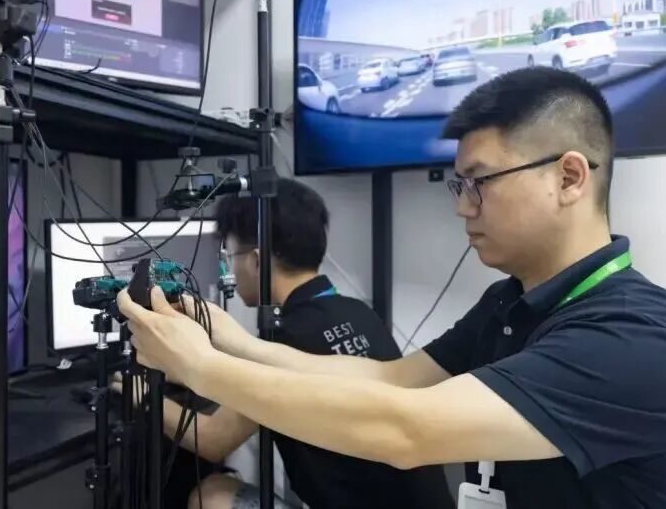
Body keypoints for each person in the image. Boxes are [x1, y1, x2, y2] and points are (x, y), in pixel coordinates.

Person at [119, 67, 666, 509]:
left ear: (570, 178)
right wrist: (232, 342)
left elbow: (405, 430)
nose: (463, 207)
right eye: (458, 186)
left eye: (480, 183)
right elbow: (393, 379)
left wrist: (198, 367)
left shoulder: (636, 338)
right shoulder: (511, 302)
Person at [116, 178, 452, 509]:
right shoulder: (359, 312)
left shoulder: (286, 337)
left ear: (256, 260)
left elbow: (213, 439)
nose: (228, 268)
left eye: (230, 255)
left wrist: (142, 394)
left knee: (212, 496)